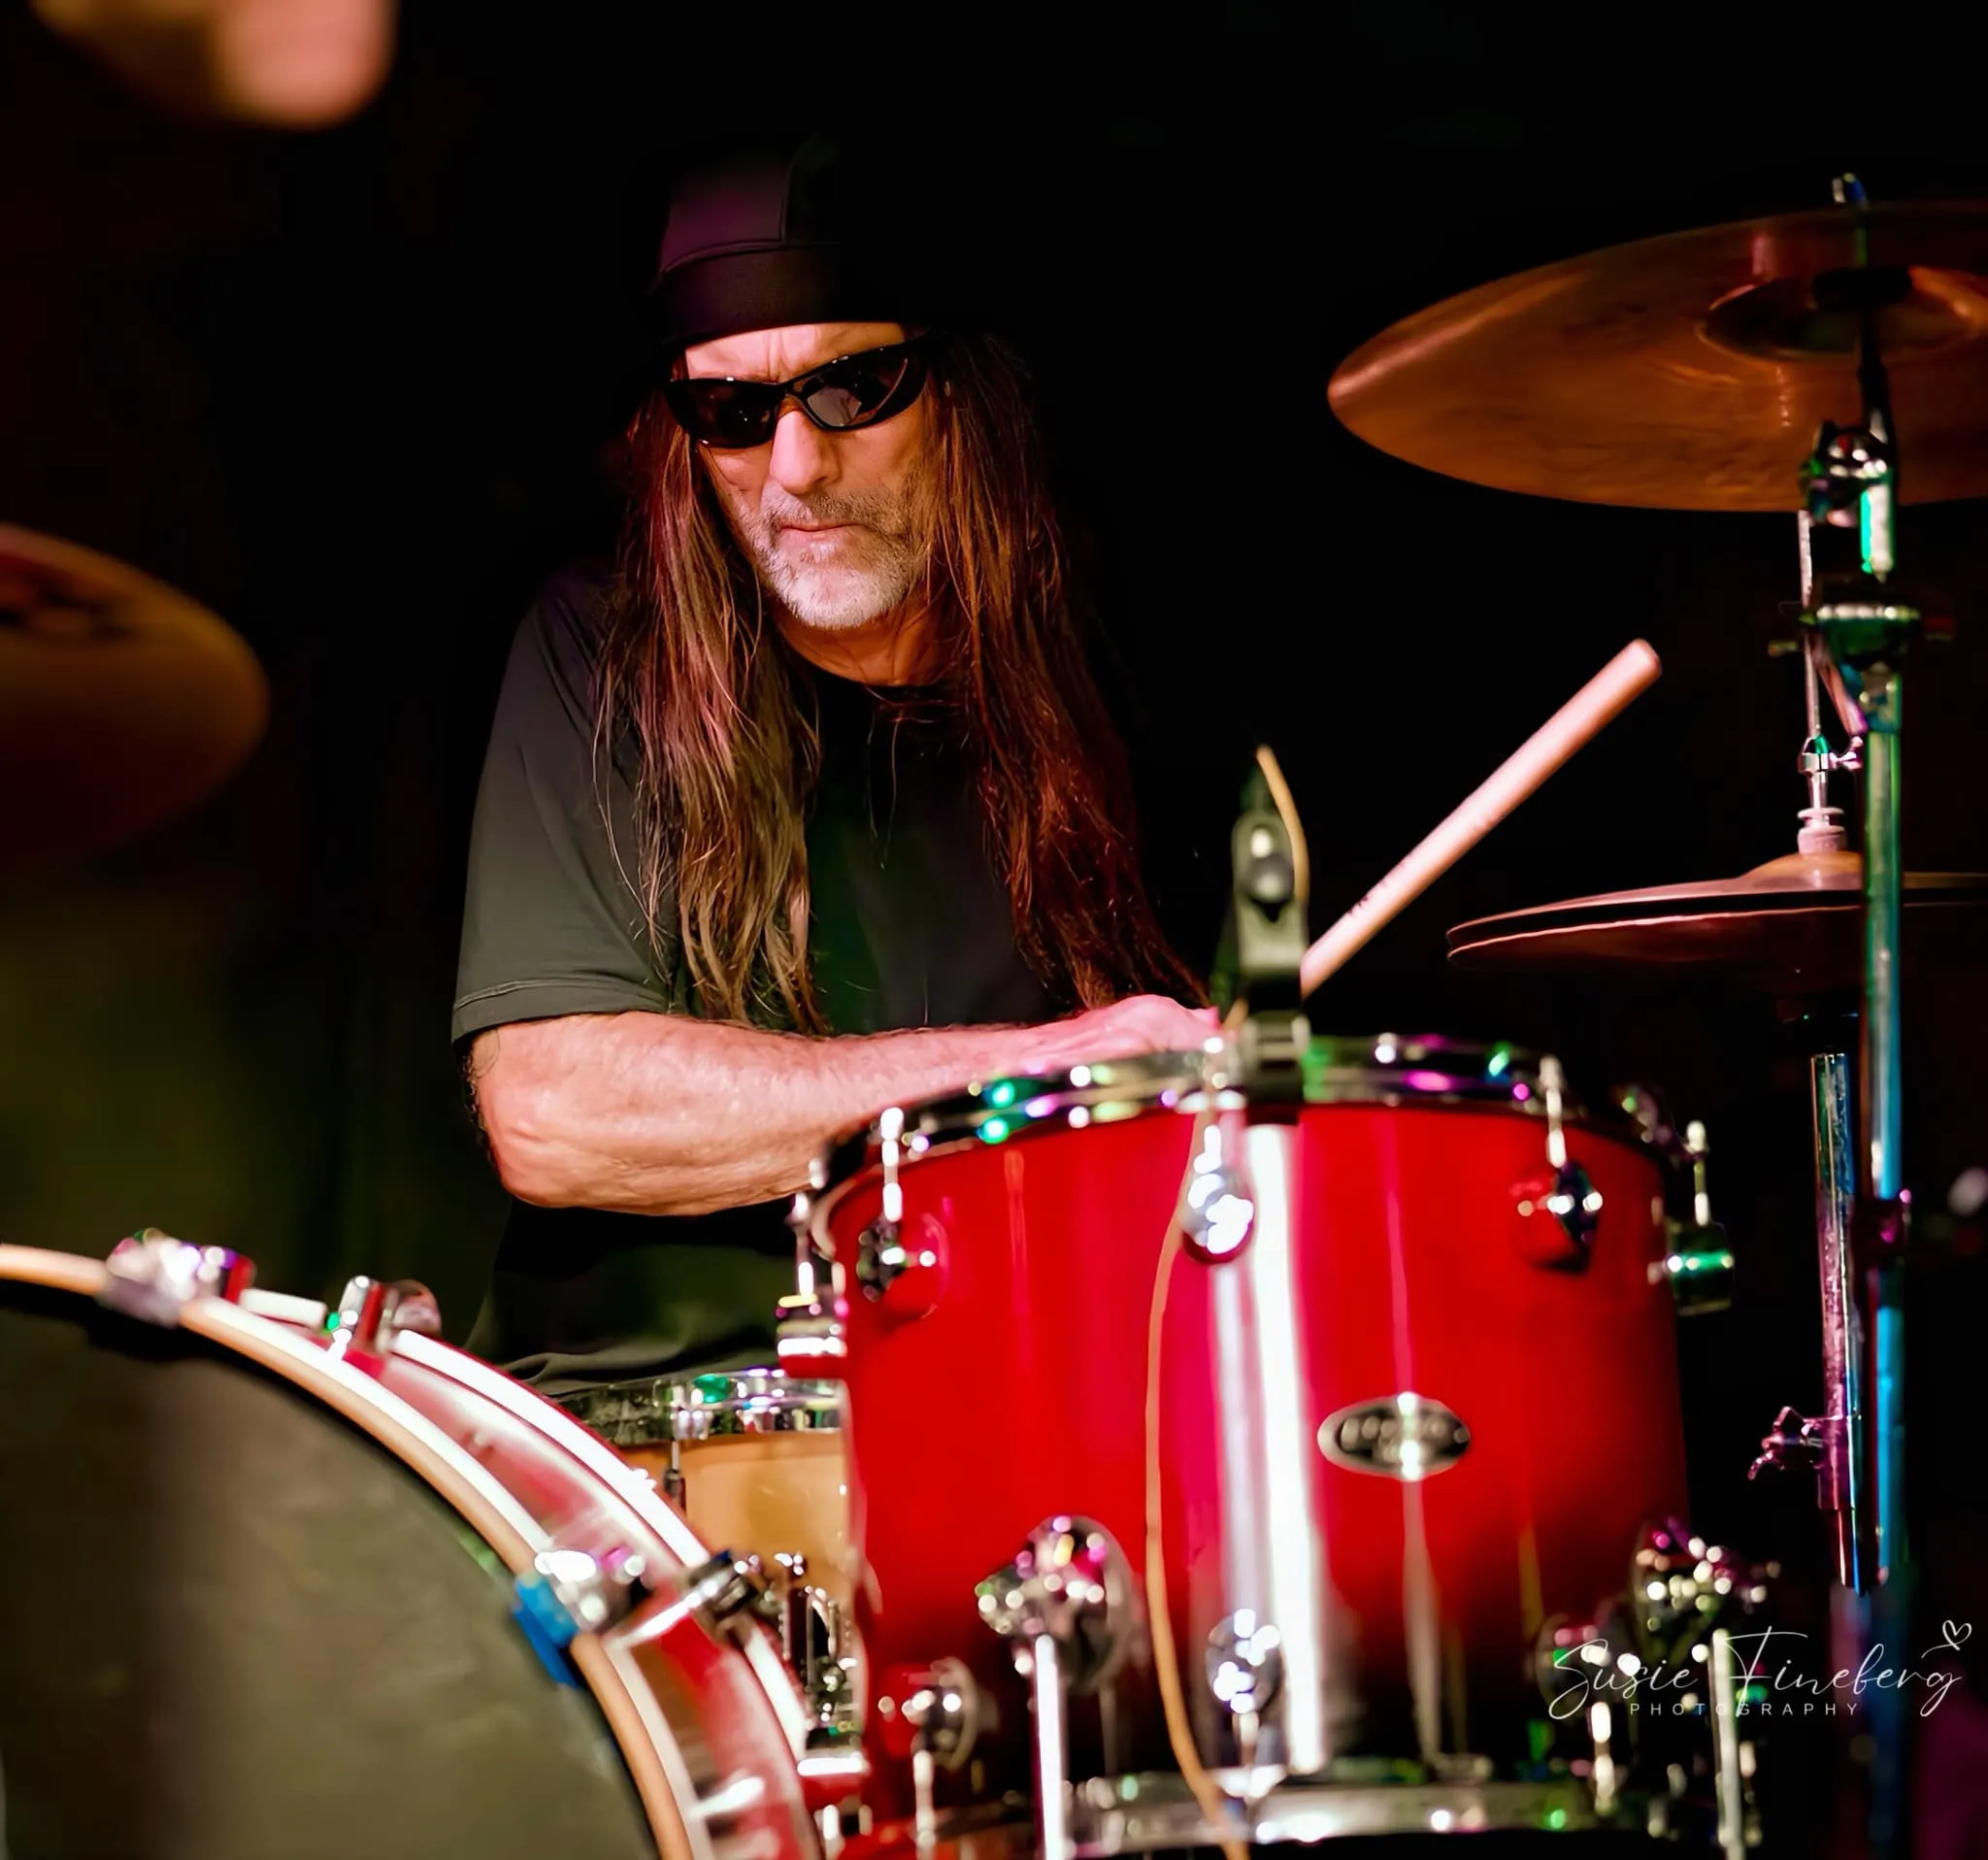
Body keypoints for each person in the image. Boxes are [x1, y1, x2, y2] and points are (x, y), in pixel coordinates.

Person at [452, 141, 1211, 1391]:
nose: (795, 471)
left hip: (1014, 1418)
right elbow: (553, 1115)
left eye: (854, 389)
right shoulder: (602, 648)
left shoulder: (1110, 684)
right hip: (655, 1431)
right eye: (734, 413)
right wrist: (1038, 1071)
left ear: (962, 395)